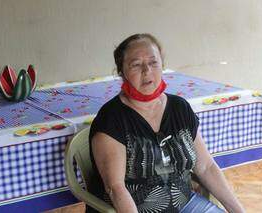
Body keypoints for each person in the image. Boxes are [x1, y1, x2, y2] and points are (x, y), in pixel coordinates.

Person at [89, 33, 245, 213]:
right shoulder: (112, 119)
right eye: (136, 65)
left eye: (153, 62)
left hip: (186, 204)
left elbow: (206, 166)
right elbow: (115, 188)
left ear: (162, 65)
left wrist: (238, 210)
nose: (147, 71)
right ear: (122, 72)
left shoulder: (179, 108)